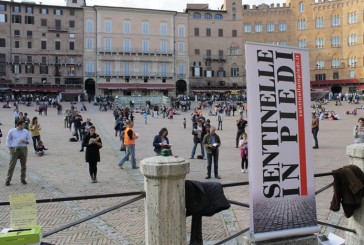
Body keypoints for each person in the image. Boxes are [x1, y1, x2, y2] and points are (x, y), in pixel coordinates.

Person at [5, 120, 31, 186]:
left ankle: (23, 179)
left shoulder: (26, 131)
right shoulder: (12, 131)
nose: (24, 126)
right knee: (12, 165)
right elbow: (8, 140)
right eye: (23, 125)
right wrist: (10, 147)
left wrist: (26, 142)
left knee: (23, 165)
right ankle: (8, 180)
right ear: (19, 125)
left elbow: (29, 140)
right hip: (14, 149)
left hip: (23, 149)